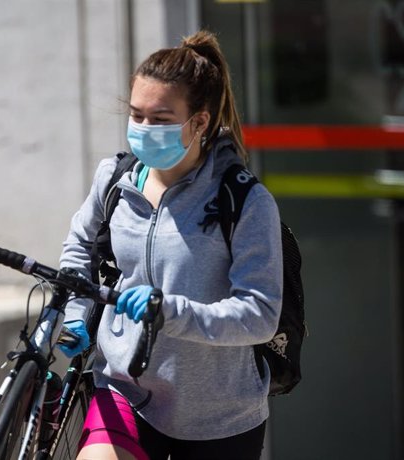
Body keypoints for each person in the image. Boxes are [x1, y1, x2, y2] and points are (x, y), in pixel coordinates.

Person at [58, 30, 283, 460]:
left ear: (199, 122)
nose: (143, 129)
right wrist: (75, 317)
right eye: (137, 115)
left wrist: (170, 312)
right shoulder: (114, 180)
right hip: (122, 390)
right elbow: (79, 250)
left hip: (218, 418)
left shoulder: (245, 202)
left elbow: (260, 314)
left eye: (160, 119)